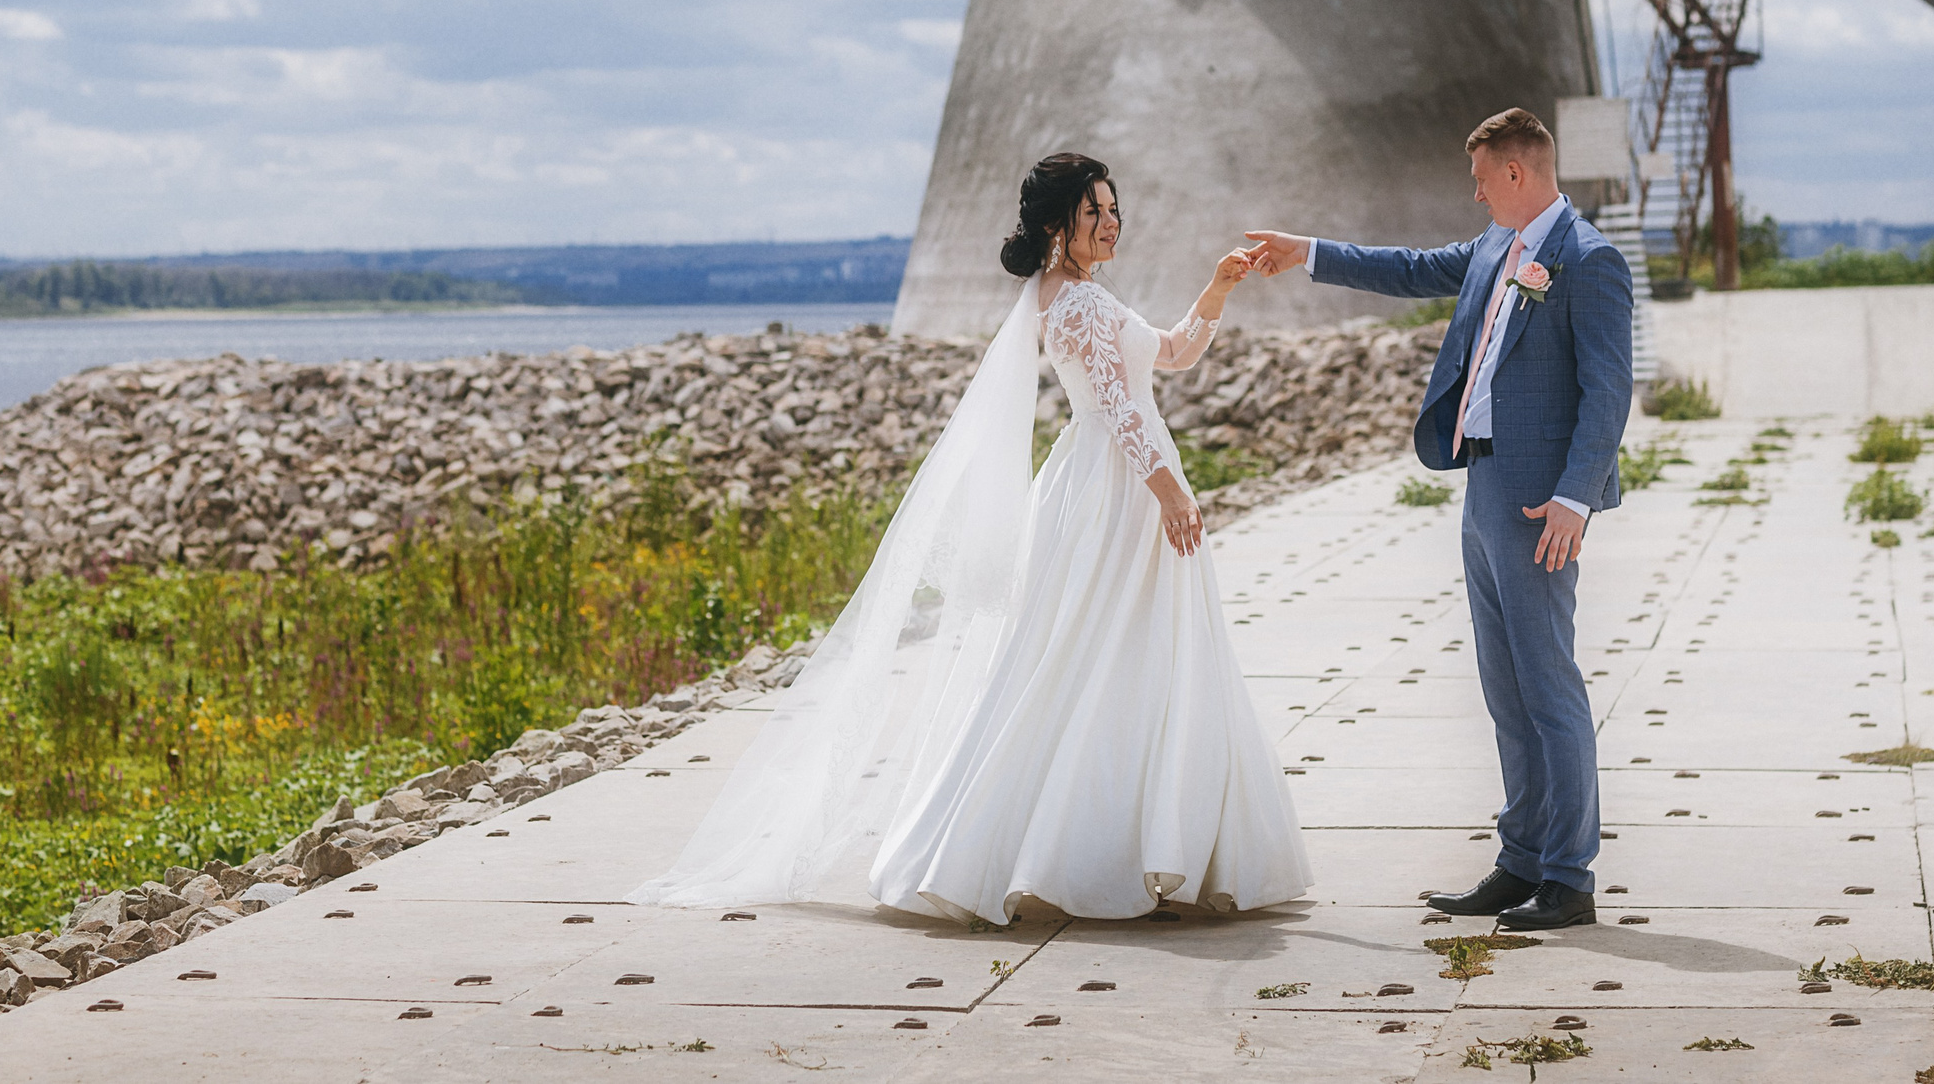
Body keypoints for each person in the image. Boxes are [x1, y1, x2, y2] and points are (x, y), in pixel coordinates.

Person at [630, 152, 1309, 923]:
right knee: (1095, 651)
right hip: (1115, 487)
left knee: (1116, 651)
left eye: (1115, 209)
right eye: (1096, 212)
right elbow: (1119, 408)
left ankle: (1126, 838)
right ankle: (1095, 845)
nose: (1112, 221)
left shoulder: (1082, 292)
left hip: (1115, 477)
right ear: (1060, 224)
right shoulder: (1075, 302)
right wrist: (1171, 491)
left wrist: (1218, 287)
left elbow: (1175, 353)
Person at [1243, 106, 1631, 931]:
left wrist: (1573, 497)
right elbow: (1409, 267)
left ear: (1517, 174)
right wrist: (1305, 251)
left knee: (1548, 683)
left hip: (1538, 503)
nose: (1476, 192)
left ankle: (1570, 875)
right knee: (1505, 688)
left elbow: (1608, 391)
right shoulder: (1496, 247)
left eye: (1483, 178)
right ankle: (1520, 858)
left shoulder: (1589, 259)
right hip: (1482, 486)